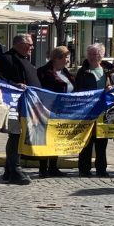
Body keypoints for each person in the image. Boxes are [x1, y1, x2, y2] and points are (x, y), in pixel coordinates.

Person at [0, 34, 40, 184]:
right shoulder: (6, 58)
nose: (32, 48)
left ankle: (9, 170)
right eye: (30, 45)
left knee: (19, 136)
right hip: (14, 104)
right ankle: (15, 168)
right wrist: (15, 85)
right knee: (15, 136)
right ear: (20, 44)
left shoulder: (25, 59)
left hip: (28, 105)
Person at [74, 43, 114, 177]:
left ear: (101, 55)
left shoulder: (108, 71)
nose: (93, 57)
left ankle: (101, 169)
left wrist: (113, 87)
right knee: (86, 141)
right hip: (87, 110)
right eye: (90, 54)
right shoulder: (83, 71)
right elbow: (77, 89)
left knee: (101, 141)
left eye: (96, 54)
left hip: (104, 110)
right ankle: (84, 169)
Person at [36, 46, 75, 177]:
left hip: (63, 111)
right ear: (57, 58)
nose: (68, 60)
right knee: (46, 138)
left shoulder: (66, 72)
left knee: (57, 138)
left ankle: (53, 166)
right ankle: (43, 168)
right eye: (66, 57)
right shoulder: (43, 72)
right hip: (47, 110)